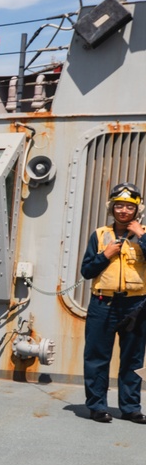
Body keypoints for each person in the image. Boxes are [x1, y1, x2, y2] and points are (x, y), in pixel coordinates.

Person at [79, 182, 146, 425]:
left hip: (136, 306)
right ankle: (97, 406)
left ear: (137, 210)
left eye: (130, 207)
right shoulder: (99, 235)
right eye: (119, 206)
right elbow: (86, 271)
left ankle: (131, 408)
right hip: (102, 304)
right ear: (112, 208)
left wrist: (141, 234)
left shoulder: (144, 234)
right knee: (97, 357)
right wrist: (104, 255)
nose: (124, 211)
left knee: (134, 359)